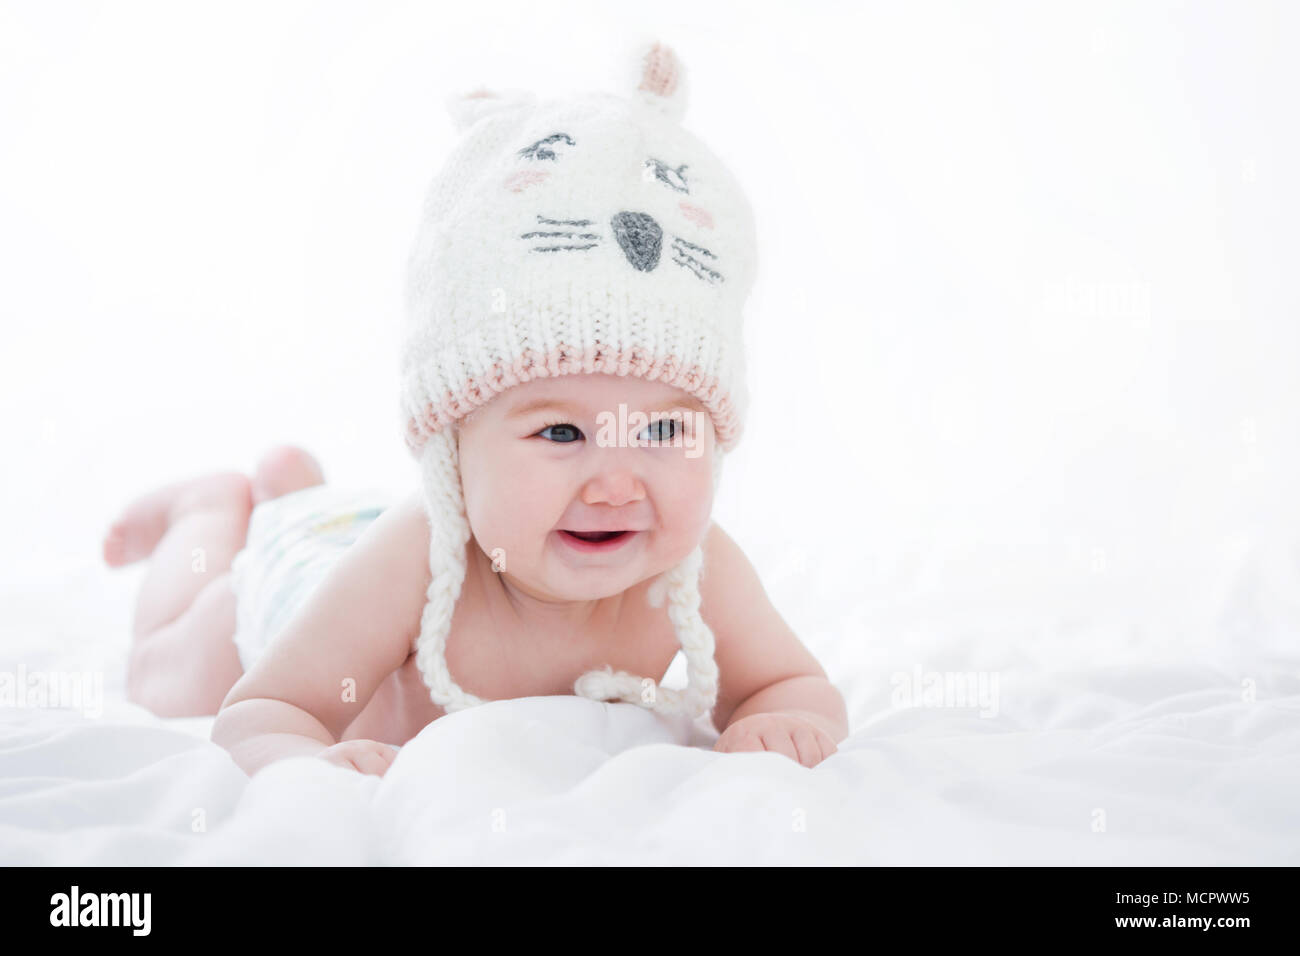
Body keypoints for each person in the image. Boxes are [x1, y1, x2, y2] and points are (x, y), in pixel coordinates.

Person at [103, 41, 847, 777]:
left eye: (662, 429)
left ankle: (296, 484)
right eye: (561, 431)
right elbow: (264, 710)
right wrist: (304, 755)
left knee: (316, 508)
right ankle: (215, 508)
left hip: (354, 532)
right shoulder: (414, 560)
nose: (616, 484)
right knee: (170, 675)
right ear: (453, 445)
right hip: (313, 574)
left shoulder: (694, 567)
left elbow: (794, 686)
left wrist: (781, 722)